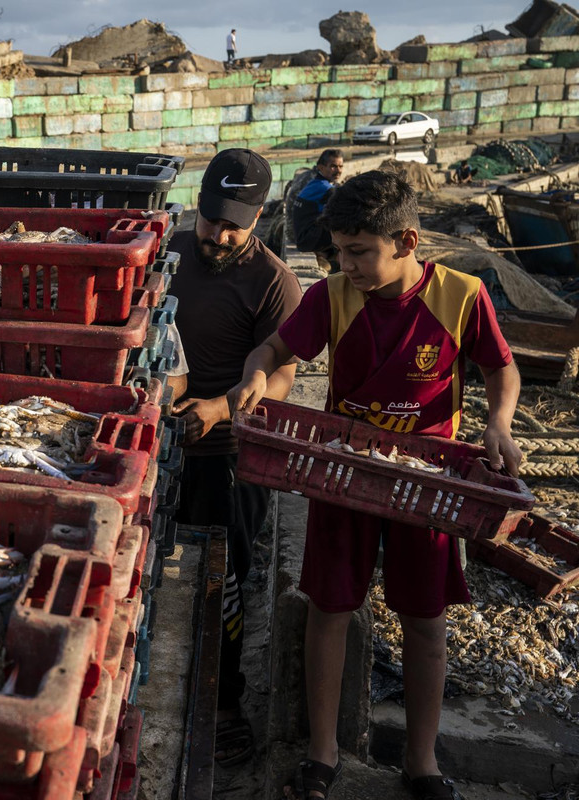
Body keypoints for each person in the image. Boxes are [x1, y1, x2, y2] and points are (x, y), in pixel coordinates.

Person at [226, 170, 522, 800]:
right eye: (339, 251)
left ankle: (422, 762)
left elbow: (501, 369)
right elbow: (272, 351)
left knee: (425, 619)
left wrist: (498, 424)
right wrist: (254, 376)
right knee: (330, 607)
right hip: (346, 472)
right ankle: (322, 752)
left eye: (360, 252)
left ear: (407, 241)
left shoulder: (462, 295)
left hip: (428, 483)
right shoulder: (331, 296)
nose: (347, 265)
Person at [166, 148, 302, 768]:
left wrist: (222, 408)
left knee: (222, 581)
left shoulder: (275, 283)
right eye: (211, 220)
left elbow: (282, 378)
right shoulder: (168, 253)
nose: (218, 236)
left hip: (227, 458)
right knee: (157, 567)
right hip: (161, 443)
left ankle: (224, 704)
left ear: (258, 218)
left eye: (233, 227)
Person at [291, 149, 345, 271]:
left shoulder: (316, 183)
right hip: (308, 241)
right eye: (333, 166)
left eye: (341, 166)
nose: (338, 170)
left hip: (303, 237)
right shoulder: (326, 189)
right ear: (321, 167)